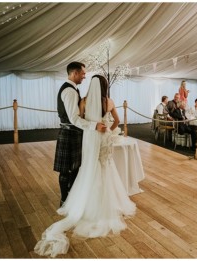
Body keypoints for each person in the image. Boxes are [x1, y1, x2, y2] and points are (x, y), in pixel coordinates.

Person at [36, 75, 135, 258]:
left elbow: (79, 121)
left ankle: (83, 202)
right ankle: (106, 204)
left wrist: (92, 129)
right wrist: (109, 131)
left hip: (89, 137)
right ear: (105, 86)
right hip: (104, 138)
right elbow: (117, 121)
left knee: (88, 166)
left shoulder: (84, 101)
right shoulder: (109, 102)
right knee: (105, 167)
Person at [53, 62, 106, 206]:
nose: (84, 76)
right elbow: (74, 119)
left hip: (72, 133)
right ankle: (64, 200)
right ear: (74, 73)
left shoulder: (72, 89)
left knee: (74, 168)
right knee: (66, 170)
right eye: (83, 73)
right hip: (69, 133)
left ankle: (71, 197)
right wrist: (94, 125)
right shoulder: (69, 91)